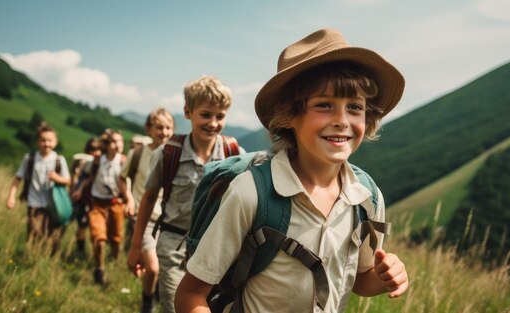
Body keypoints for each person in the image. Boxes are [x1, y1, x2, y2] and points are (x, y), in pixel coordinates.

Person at [175, 29, 409, 312]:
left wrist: (385, 277)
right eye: (324, 105)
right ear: (289, 116)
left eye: (355, 107)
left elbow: (360, 279)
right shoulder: (252, 193)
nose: (341, 120)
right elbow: (190, 295)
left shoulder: (367, 198)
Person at [127, 75, 241, 313]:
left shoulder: (234, 154)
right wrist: (137, 245)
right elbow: (149, 198)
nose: (213, 123)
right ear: (188, 112)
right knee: (176, 307)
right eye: (206, 114)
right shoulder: (168, 153)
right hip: (173, 245)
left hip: (216, 248)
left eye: (220, 116)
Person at [121, 108, 175, 313]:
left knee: (163, 266)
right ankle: (147, 303)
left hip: (167, 218)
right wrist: (128, 198)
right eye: (159, 127)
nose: (164, 132)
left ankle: (159, 297)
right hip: (143, 216)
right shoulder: (137, 153)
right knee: (152, 267)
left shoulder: (174, 153)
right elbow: (122, 177)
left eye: (169, 127)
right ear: (149, 129)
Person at [6, 123, 71, 253]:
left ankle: (49, 258)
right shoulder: (29, 158)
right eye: (43, 140)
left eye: (50, 140)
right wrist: (11, 197)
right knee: (34, 233)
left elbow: (68, 180)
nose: (46, 143)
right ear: (37, 142)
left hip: (54, 205)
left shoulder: (59, 160)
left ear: (56, 142)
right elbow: (18, 178)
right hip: (34, 203)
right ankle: (33, 257)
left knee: (53, 234)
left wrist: (57, 178)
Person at [83, 128, 134, 286]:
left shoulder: (123, 161)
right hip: (97, 204)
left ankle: (115, 261)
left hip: (116, 204)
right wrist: (78, 190)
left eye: (120, 141)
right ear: (107, 144)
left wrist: (128, 201)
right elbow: (89, 176)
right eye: (114, 141)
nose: (118, 144)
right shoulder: (98, 160)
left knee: (116, 239)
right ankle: (100, 269)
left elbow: (127, 182)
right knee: (99, 239)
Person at [69, 137, 101, 256]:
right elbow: (75, 177)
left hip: (93, 199)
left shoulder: (98, 163)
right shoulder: (84, 162)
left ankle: (89, 252)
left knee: (91, 227)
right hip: (82, 199)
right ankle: (81, 251)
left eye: (97, 149)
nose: (95, 152)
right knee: (81, 226)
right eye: (92, 150)